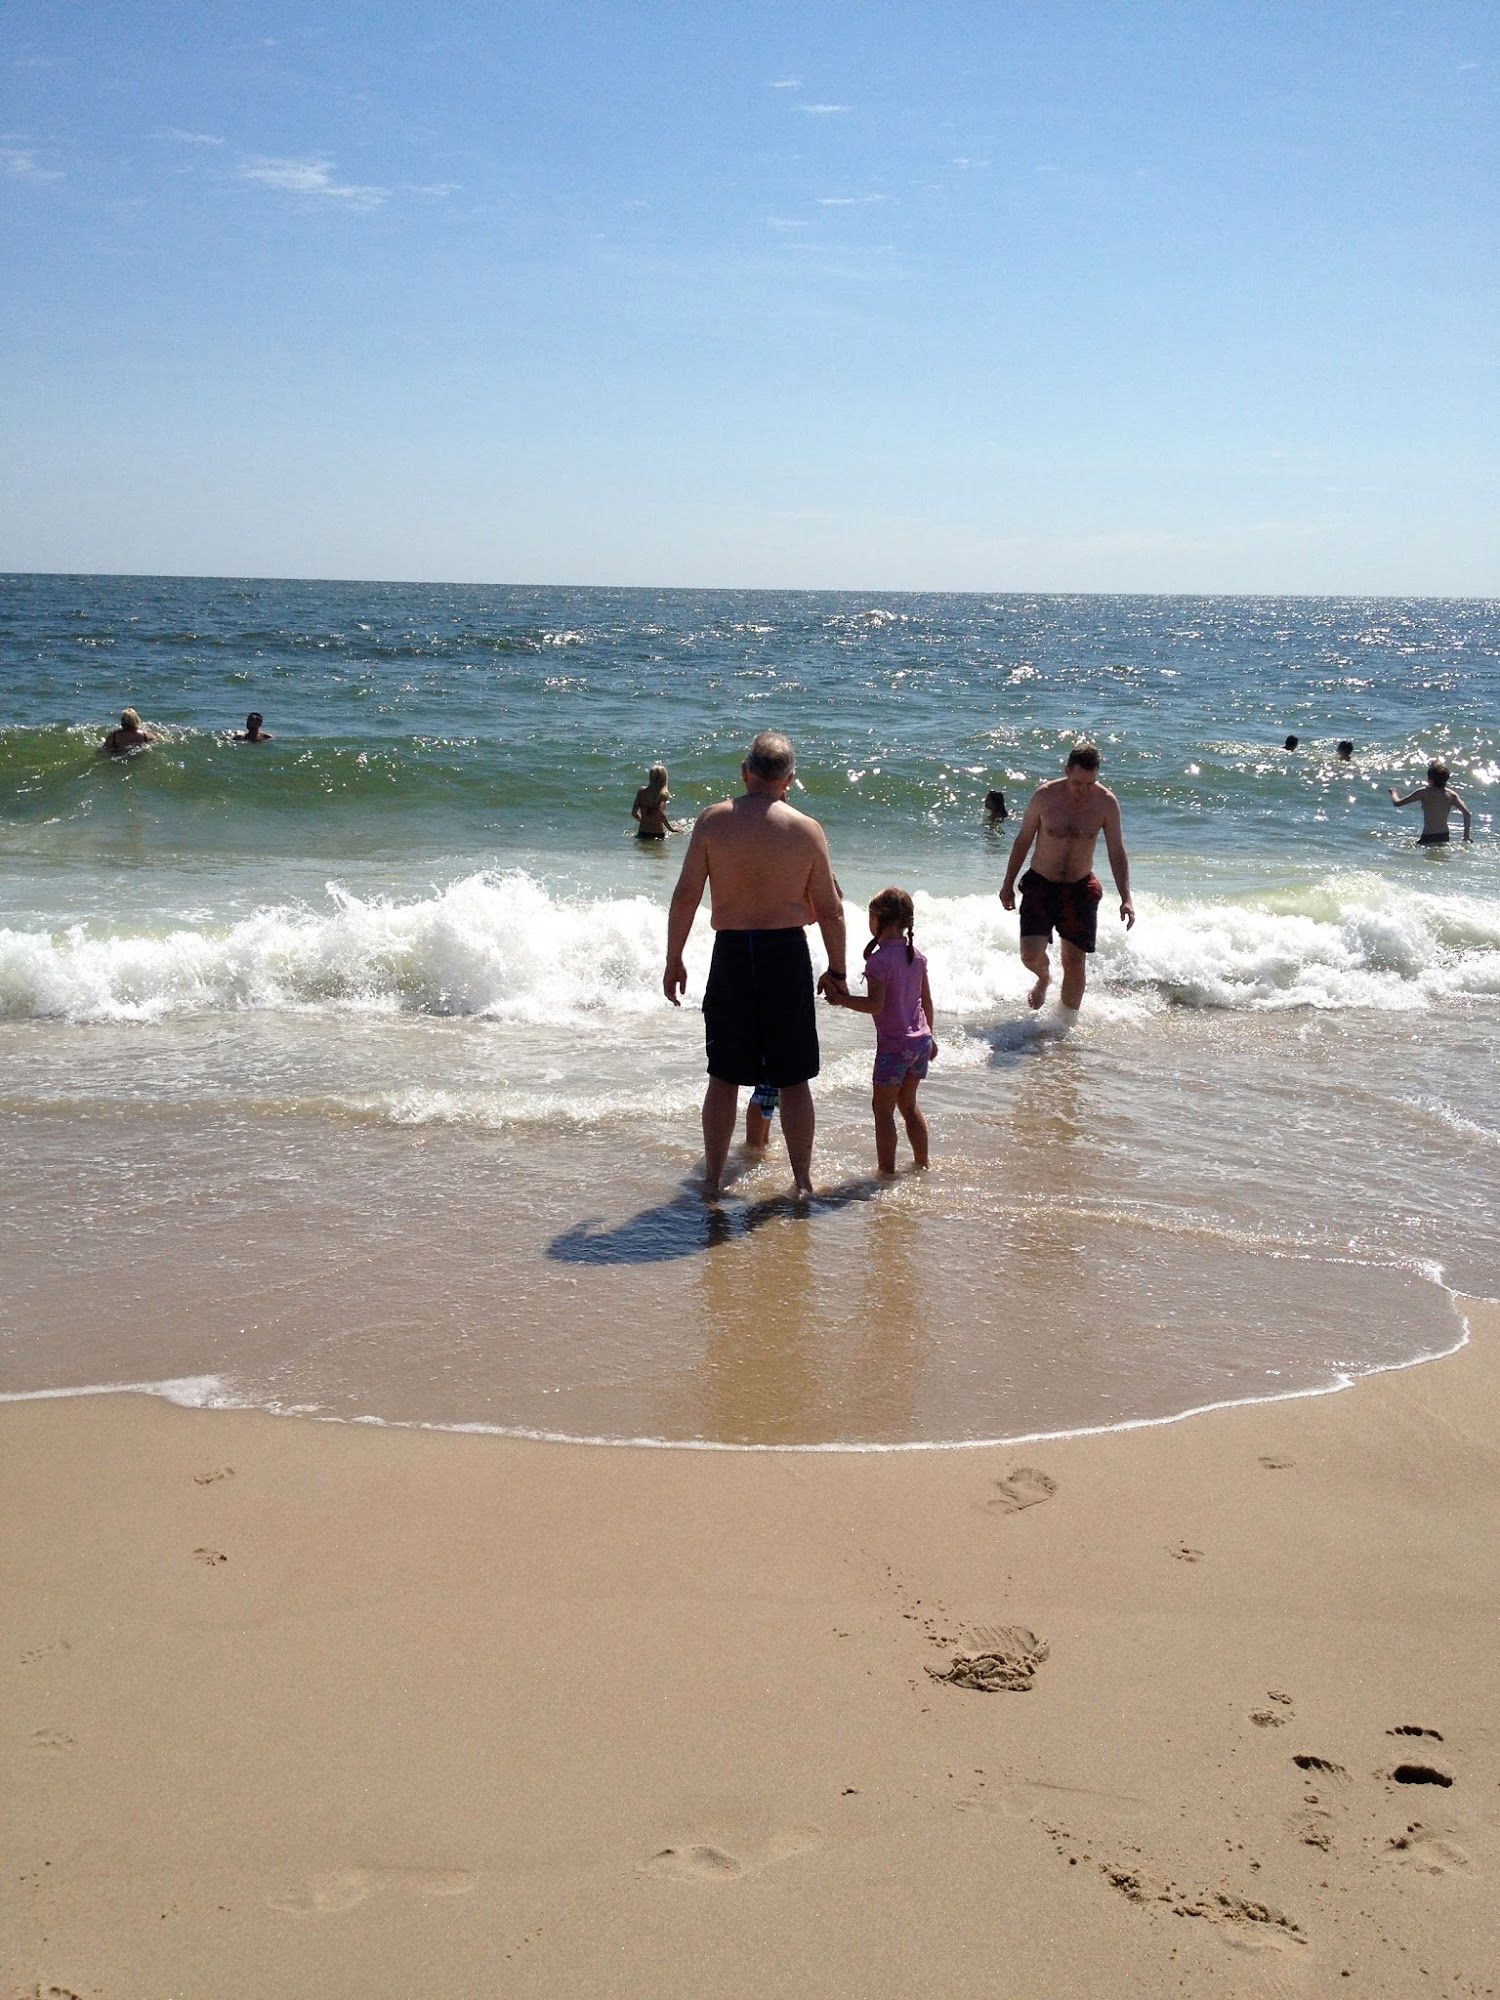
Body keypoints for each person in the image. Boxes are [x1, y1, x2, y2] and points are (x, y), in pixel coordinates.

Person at [663, 730, 846, 1201]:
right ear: (789, 780)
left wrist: (674, 958)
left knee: (723, 1075)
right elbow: (830, 909)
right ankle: (802, 1181)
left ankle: (712, 1179)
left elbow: (686, 896)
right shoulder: (806, 829)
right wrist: (838, 970)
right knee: (794, 1076)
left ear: (745, 772)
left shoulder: (712, 822)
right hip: (785, 952)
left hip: (731, 952)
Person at [999, 741, 1135, 1014]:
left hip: (1079, 887)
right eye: (1077, 783)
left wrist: (1126, 897)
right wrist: (1007, 884)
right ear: (1066, 771)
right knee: (1030, 955)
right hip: (1040, 883)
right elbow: (1023, 840)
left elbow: (1116, 851)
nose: (1083, 790)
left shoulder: (1106, 803)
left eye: (1090, 783)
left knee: (1074, 960)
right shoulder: (1045, 797)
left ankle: (1065, 1027)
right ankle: (1044, 977)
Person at [829, 887, 936, 1174]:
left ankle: (886, 1173)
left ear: (878, 919)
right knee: (909, 1105)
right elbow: (926, 1002)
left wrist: (841, 1000)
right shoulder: (917, 956)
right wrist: (932, 1036)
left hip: (894, 1046)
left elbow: (875, 1005)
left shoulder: (878, 960)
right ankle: (922, 1164)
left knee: (883, 1111)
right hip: (920, 1042)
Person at [1390, 762, 1471, 845]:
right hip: (1444, 836)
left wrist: (1393, 792)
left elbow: (1397, 803)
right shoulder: (1451, 795)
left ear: (1429, 779)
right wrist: (1466, 837)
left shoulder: (1423, 792)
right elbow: (1467, 814)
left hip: (1428, 836)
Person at [631, 763, 676, 839]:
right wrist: (671, 829)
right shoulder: (663, 794)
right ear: (664, 778)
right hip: (657, 833)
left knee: (644, 850)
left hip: (642, 832)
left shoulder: (641, 791)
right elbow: (660, 813)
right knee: (657, 851)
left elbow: (634, 813)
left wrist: (643, 821)